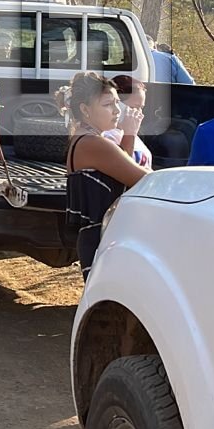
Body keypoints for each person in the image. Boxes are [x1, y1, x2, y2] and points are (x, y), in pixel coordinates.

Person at [59, 72, 149, 277]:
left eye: (117, 103)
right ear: (85, 110)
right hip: (103, 242)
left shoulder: (84, 139)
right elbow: (144, 179)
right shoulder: (93, 143)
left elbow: (120, 169)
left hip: (100, 240)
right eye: (108, 104)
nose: (117, 110)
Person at [105, 75, 153, 170]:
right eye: (134, 107)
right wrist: (130, 133)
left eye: (141, 108)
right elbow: (121, 168)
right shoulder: (106, 136)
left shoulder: (131, 134)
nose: (139, 113)